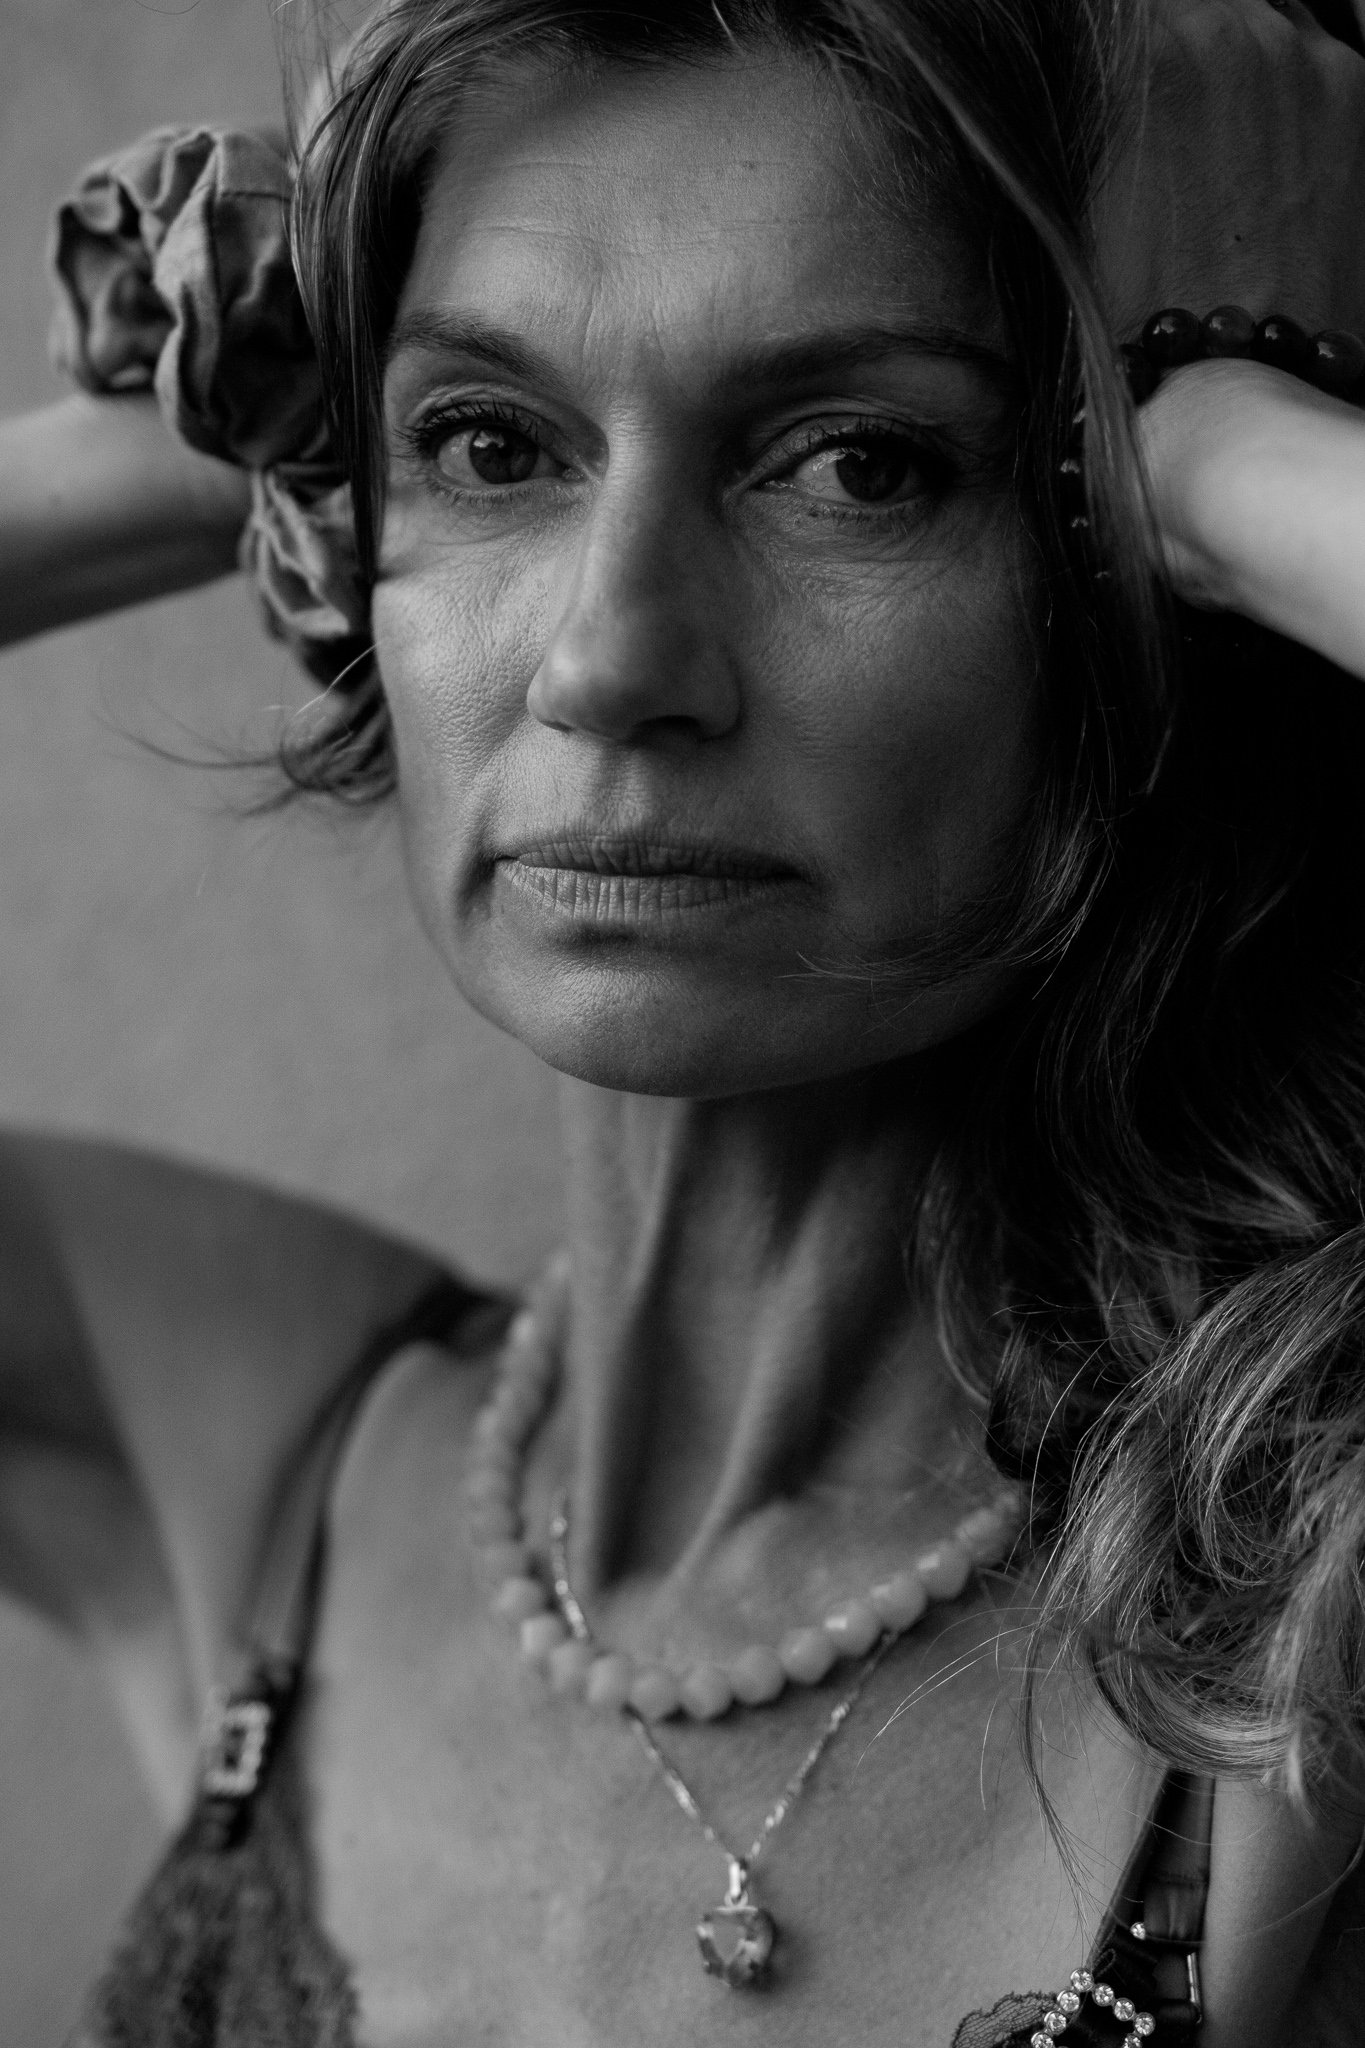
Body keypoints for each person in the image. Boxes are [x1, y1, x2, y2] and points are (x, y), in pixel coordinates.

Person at [3, 2, 1365, 2043]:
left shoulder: (1289, 1604)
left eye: (861, 464)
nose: (611, 654)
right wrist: (256, 417)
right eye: (487, 443)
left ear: (1121, 572)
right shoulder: (266, 1442)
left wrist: (1234, 450)